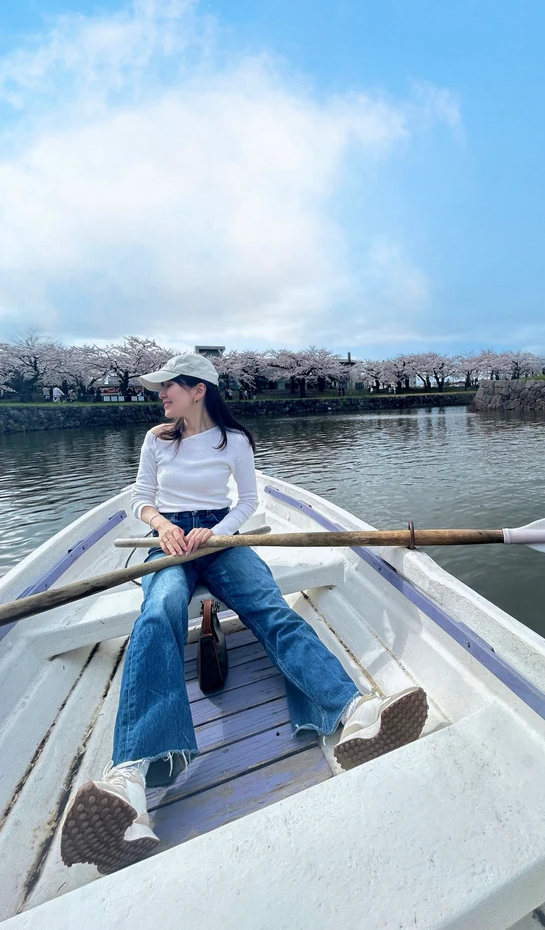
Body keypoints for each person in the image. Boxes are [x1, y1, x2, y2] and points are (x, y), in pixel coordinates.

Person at [59, 352, 427, 875]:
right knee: (158, 611)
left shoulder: (234, 441)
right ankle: (131, 780)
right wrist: (161, 526)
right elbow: (138, 500)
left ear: (198, 390)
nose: (160, 393)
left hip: (220, 537)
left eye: (169, 385)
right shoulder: (155, 439)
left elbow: (249, 500)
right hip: (168, 538)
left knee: (269, 608)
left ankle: (353, 713)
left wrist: (219, 530)